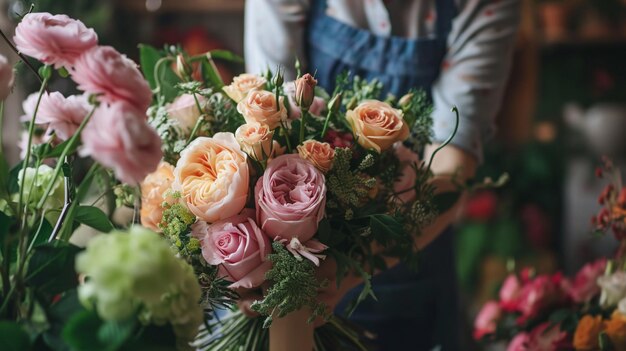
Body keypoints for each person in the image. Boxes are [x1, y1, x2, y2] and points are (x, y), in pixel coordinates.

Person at [242, 1, 521, 349]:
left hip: (407, 265)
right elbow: (273, 121)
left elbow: (452, 169)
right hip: (286, 259)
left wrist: (349, 267)